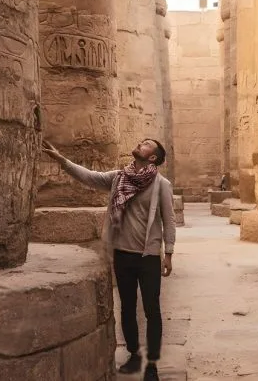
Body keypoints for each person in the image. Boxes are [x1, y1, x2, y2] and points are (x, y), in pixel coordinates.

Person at [42, 138, 176, 381]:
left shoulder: (161, 185)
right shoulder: (119, 177)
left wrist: (168, 253)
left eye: (146, 144)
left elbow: (169, 220)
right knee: (126, 306)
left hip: (148, 256)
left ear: (153, 157)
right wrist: (62, 160)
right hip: (123, 254)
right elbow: (89, 177)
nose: (139, 143)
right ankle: (134, 352)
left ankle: (152, 364)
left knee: (152, 310)